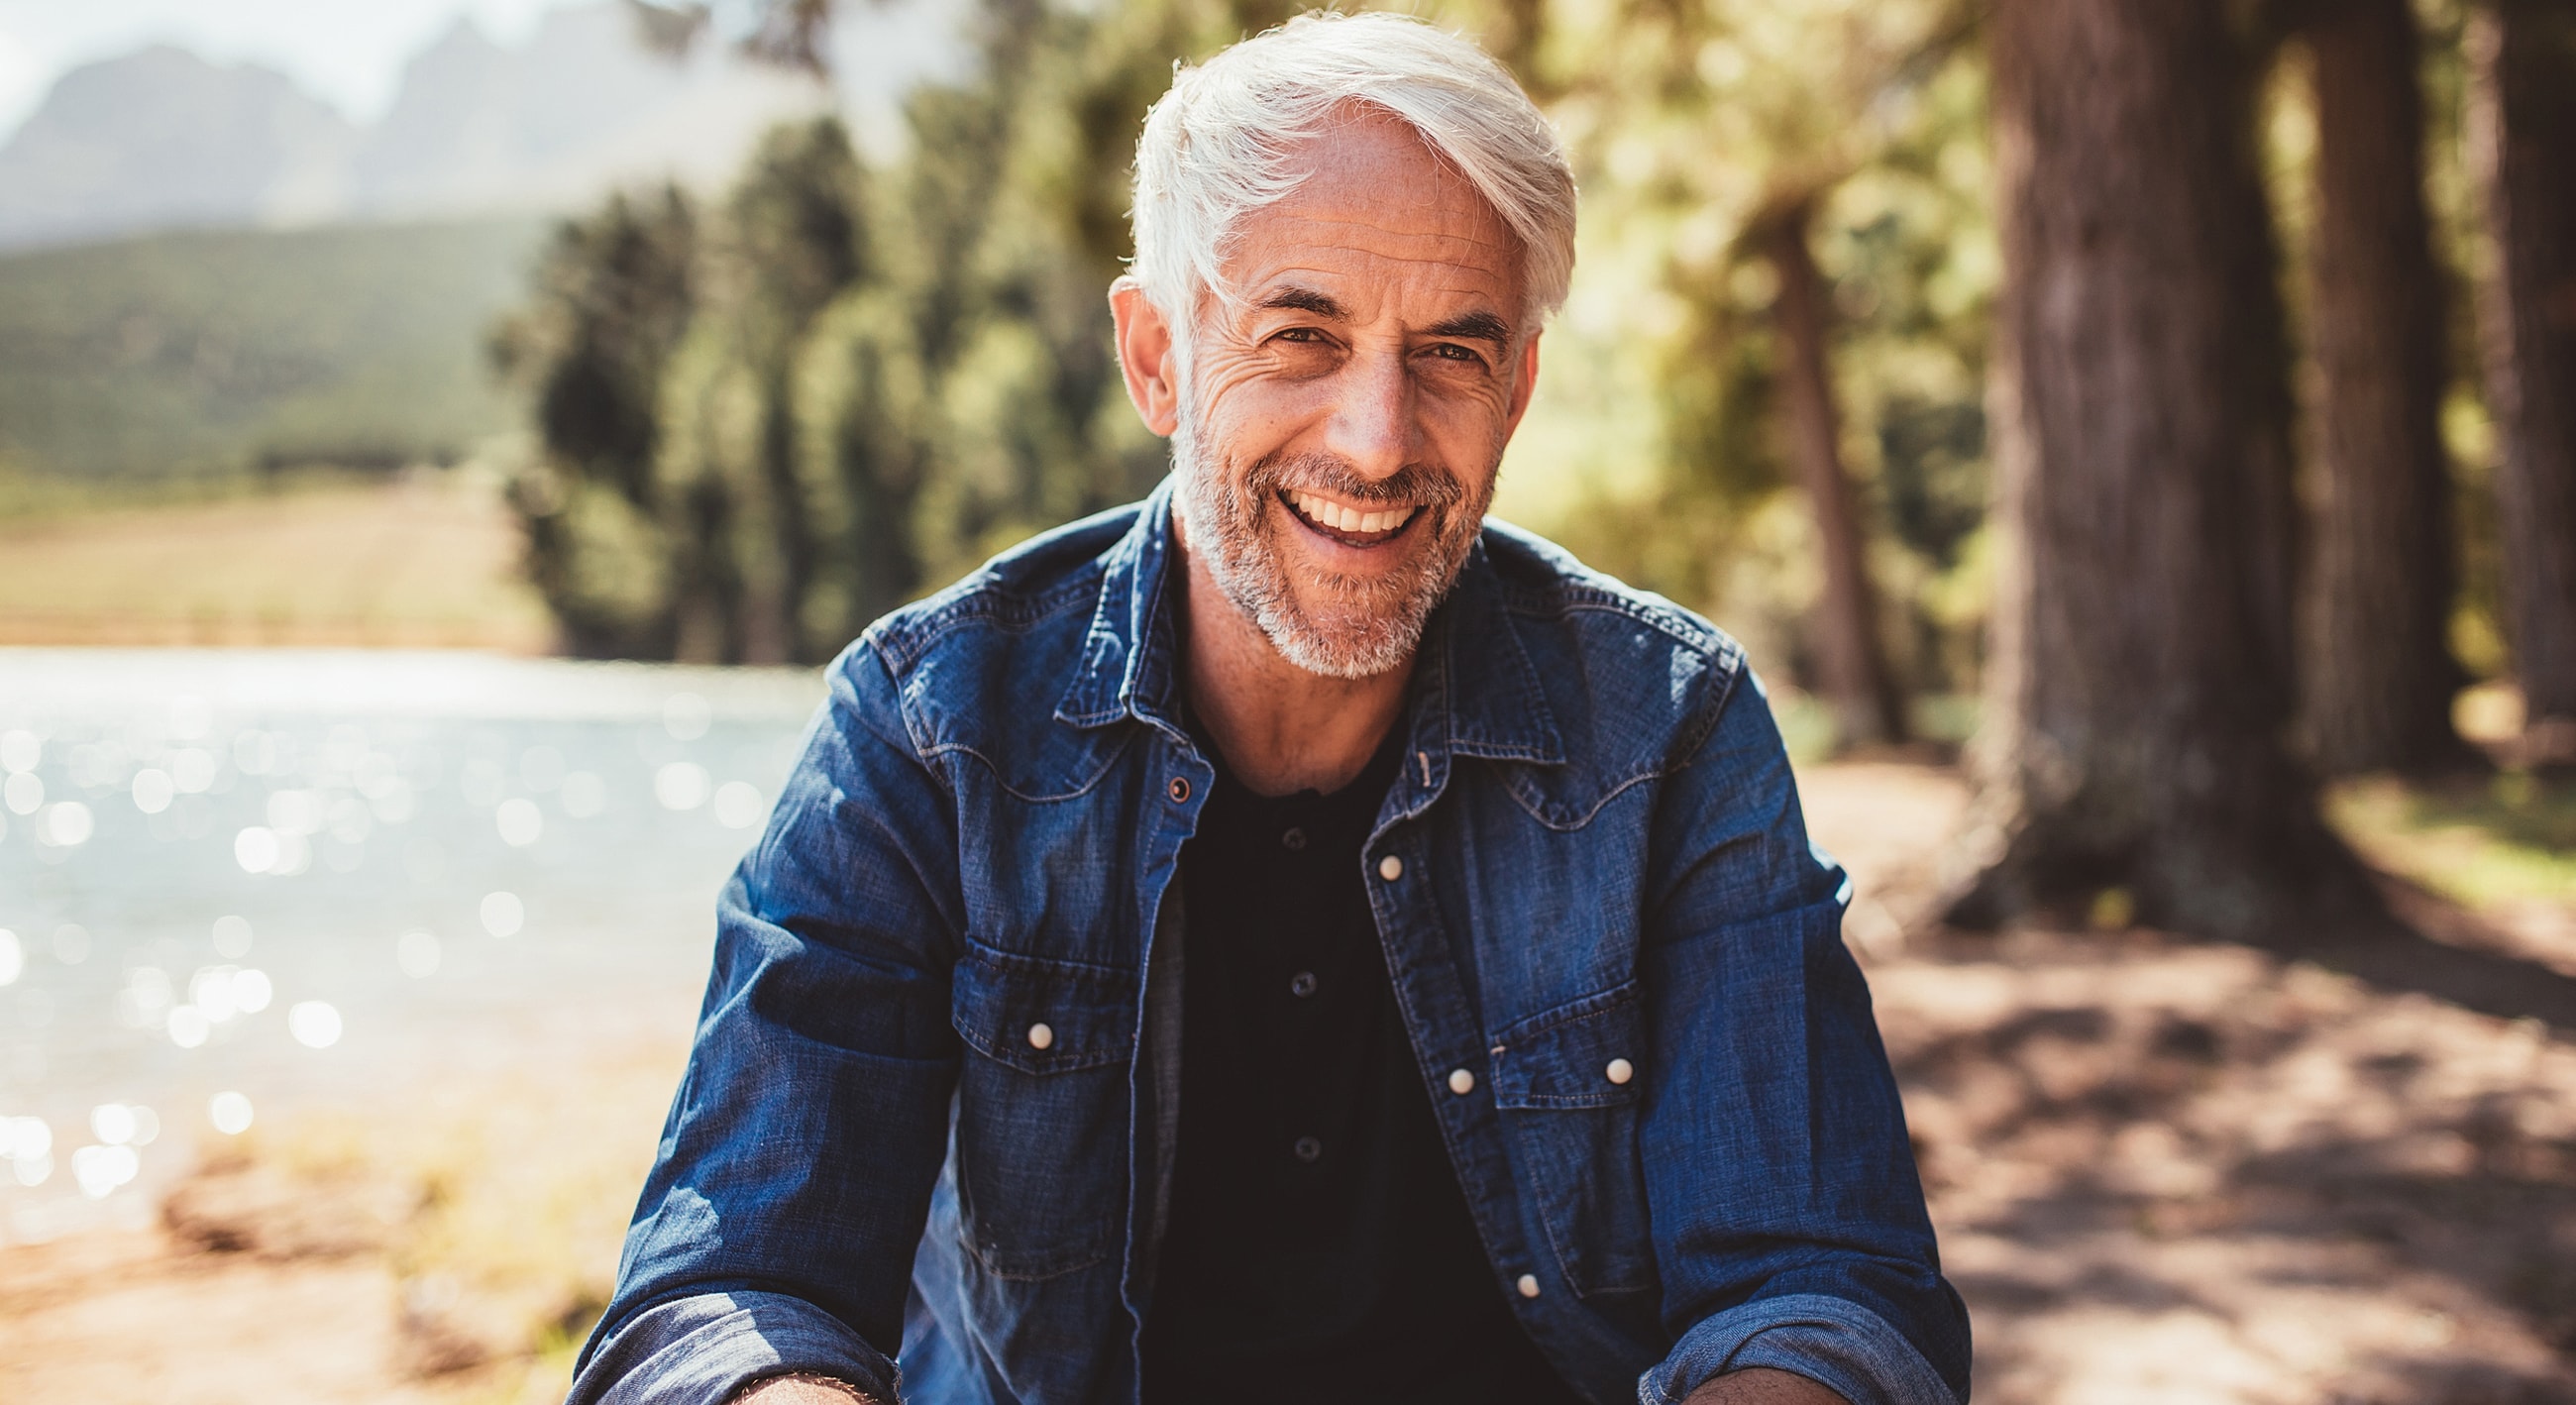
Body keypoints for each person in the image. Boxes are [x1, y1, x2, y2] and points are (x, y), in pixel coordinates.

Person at [568, 12, 1969, 1405]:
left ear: (1520, 387)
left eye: (1452, 354)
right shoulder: (928, 730)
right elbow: (727, 1295)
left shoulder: (1670, 731)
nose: (1376, 438)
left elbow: (1821, 1286)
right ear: (1157, 355)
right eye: (1302, 334)